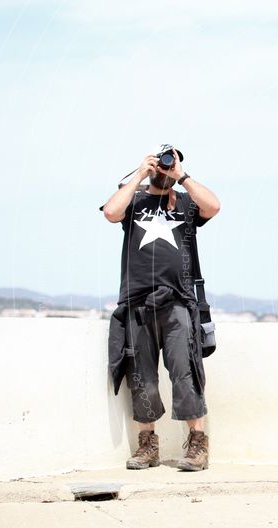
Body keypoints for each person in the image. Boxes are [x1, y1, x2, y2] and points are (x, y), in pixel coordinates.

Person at [99, 146, 220, 471]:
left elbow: (214, 206)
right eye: (162, 161)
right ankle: (147, 446)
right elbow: (111, 212)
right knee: (143, 377)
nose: (165, 166)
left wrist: (181, 176)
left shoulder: (185, 203)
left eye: (171, 161)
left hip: (179, 301)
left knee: (186, 373)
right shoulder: (135, 200)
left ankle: (197, 446)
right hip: (137, 302)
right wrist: (139, 174)